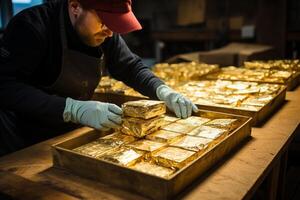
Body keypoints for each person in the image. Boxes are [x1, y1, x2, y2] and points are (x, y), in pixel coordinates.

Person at [0, 0, 198, 156]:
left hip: (67, 134)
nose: (110, 31)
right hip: (24, 139)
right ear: (75, 6)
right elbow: (5, 86)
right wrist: (72, 108)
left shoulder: (105, 33)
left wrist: (162, 90)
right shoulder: (31, 27)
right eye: (104, 21)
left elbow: (130, 67)